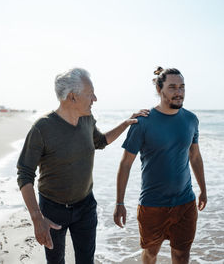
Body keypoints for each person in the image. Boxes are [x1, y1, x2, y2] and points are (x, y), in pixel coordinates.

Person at [17, 67, 149, 264]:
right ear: (72, 97)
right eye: (90, 94)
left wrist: (126, 123)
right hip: (53, 209)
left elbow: (100, 141)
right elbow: (25, 174)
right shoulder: (42, 128)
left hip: (85, 206)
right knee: (55, 261)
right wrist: (37, 218)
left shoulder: (87, 120)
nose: (94, 98)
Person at [113, 67, 207, 264]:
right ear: (159, 89)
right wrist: (119, 203)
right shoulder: (142, 121)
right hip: (152, 205)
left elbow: (195, 156)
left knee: (182, 256)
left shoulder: (191, 119)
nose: (179, 92)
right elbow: (125, 163)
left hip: (185, 203)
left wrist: (203, 190)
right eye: (172, 87)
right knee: (151, 253)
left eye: (182, 87)